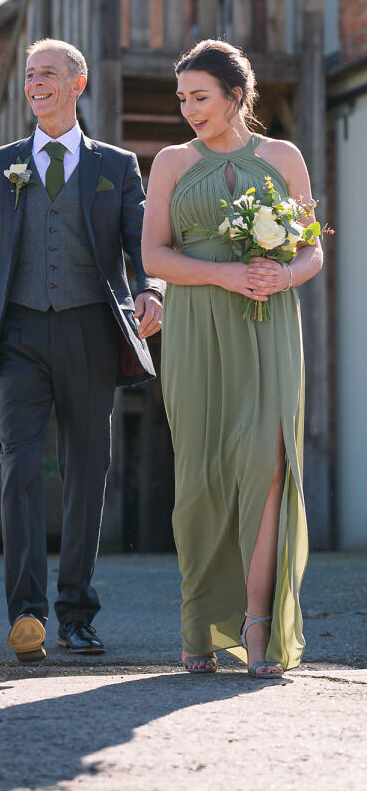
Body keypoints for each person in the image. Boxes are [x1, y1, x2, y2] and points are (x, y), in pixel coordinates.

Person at [0, 39, 164, 663]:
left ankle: (77, 613)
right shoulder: (0, 167)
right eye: (28, 75)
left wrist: (151, 290)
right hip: (17, 333)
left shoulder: (117, 166)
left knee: (85, 472)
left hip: (91, 331)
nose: (35, 83)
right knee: (18, 467)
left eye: (47, 73)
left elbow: (142, 243)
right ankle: (26, 614)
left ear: (77, 84)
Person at [142, 39, 323, 679]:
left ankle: (256, 624)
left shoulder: (282, 157)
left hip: (268, 324)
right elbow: (154, 257)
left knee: (264, 466)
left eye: (200, 97)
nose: (189, 109)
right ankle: (199, 627)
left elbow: (311, 252)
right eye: (182, 98)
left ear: (236, 96)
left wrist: (284, 277)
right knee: (201, 477)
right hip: (195, 327)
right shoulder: (169, 162)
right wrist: (219, 277)